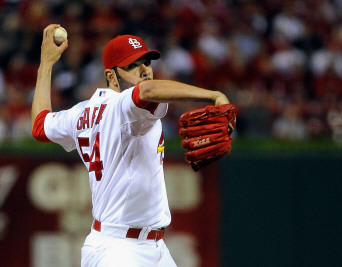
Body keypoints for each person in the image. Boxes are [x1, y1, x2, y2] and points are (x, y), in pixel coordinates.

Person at [31, 24, 230, 267]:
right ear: (111, 75)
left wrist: (46, 65)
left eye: (146, 62)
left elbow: (40, 126)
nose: (144, 70)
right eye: (132, 65)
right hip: (119, 251)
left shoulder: (81, 113)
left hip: (151, 247)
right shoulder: (124, 106)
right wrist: (214, 95)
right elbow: (146, 91)